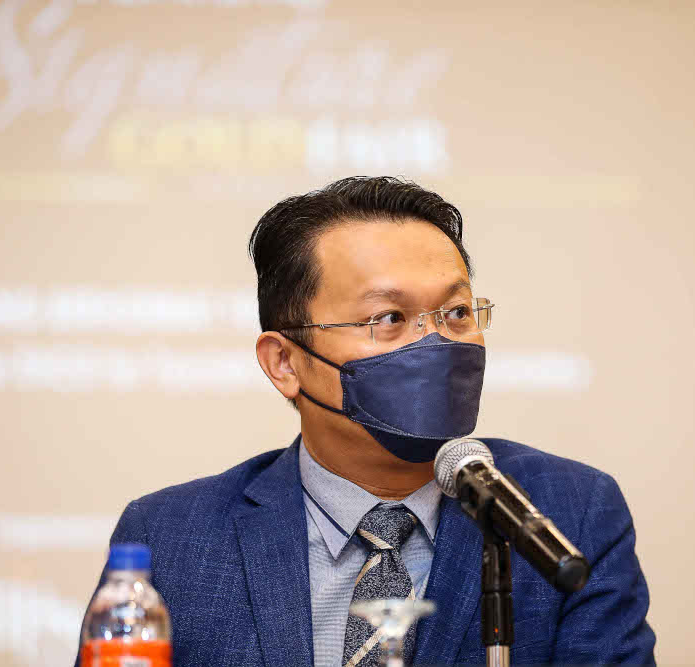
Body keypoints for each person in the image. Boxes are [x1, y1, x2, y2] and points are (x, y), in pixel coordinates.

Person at [77, 177, 656, 666]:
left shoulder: (571, 512)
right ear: (285, 363)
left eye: (457, 313)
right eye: (389, 318)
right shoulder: (172, 537)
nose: (436, 342)